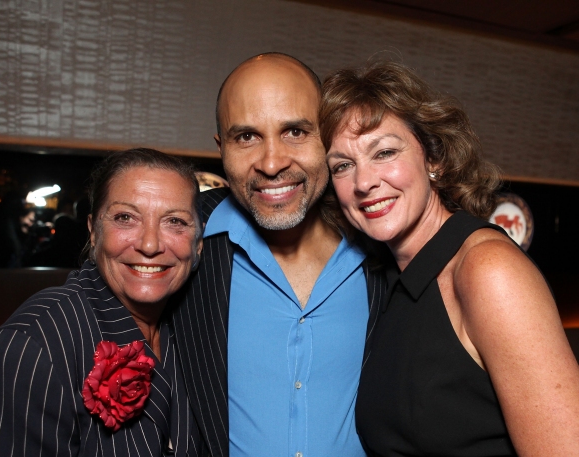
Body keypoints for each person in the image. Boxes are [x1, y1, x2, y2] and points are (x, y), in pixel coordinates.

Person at [320, 61, 579, 456]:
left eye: (385, 152)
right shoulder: (391, 278)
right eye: (343, 165)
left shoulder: (488, 270)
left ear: (434, 159)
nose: (364, 182)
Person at [172, 53, 383, 457]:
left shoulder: (382, 245)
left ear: (329, 137)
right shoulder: (184, 235)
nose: (271, 163)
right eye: (246, 137)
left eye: (295, 132)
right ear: (221, 149)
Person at [0, 148, 206, 456]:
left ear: (198, 245)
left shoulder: (196, 328)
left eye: (175, 221)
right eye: (125, 218)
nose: (150, 244)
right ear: (94, 232)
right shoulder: (31, 345)